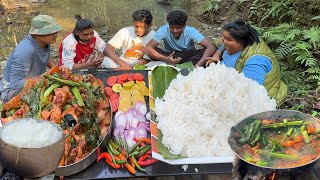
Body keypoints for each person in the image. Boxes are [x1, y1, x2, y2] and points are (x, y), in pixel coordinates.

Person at [206, 19, 288, 105]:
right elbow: (221, 48)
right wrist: (216, 56)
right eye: (224, 37)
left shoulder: (256, 61)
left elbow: (249, 91)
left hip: (257, 98)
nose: (224, 41)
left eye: (228, 40)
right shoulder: (232, 43)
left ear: (242, 42)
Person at [0, 15, 62, 103]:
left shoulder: (44, 41)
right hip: (12, 91)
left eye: (55, 31)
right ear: (37, 34)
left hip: (33, 81)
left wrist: (56, 70)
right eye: (51, 32)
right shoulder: (26, 49)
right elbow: (15, 84)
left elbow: (45, 56)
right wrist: (43, 79)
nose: (55, 34)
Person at [145, 10, 216, 67]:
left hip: (188, 55)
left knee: (206, 52)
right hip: (170, 54)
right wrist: (166, 59)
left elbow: (211, 47)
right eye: (172, 27)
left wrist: (198, 65)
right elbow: (148, 47)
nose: (175, 31)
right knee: (150, 50)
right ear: (168, 25)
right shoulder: (163, 29)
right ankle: (175, 63)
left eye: (178, 28)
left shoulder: (190, 31)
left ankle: (184, 65)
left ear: (184, 26)